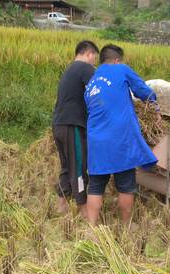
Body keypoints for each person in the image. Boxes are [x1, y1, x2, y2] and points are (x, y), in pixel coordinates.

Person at [84, 44, 160, 226]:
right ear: (117, 60)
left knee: (95, 186)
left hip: (95, 139)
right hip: (119, 138)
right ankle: (126, 226)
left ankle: (91, 229)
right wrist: (155, 104)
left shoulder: (92, 81)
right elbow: (143, 91)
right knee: (126, 184)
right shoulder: (121, 69)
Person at [52, 40, 99, 218]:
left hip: (58, 124)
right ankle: (84, 210)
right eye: (94, 57)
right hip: (73, 125)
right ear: (89, 54)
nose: (94, 62)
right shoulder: (84, 68)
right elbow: (99, 90)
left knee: (67, 166)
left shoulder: (69, 69)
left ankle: (61, 205)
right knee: (79, 166)